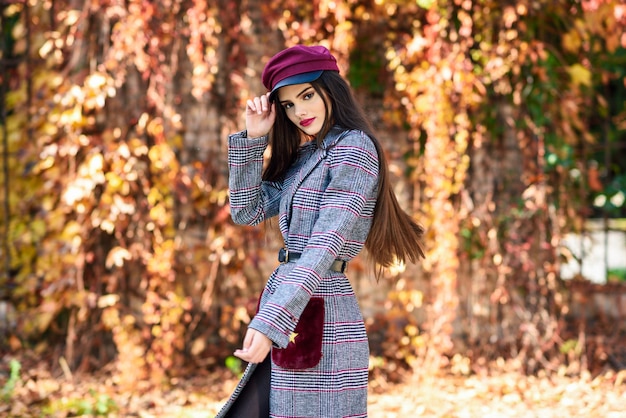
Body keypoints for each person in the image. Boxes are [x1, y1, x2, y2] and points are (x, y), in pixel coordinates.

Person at [222, 44, 424, 418]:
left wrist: (271, 323)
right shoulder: (308, 157)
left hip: (321, 311)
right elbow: (246, 211)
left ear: (331, 89)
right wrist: (253, 141)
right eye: (288, 105)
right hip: (295, 306)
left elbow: (324, 245)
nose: (300, 112)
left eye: (307, 95)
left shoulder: (354, 150)